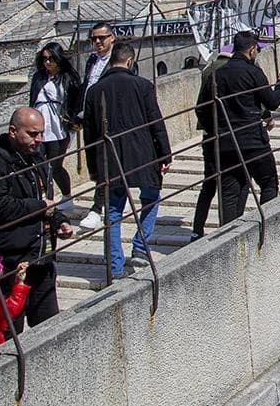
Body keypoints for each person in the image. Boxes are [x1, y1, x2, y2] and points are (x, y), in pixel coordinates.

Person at [0, 108, 72, 327]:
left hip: (40, 260)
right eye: (33, 134)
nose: (39, 140)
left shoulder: (36, 157)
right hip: (9, 264)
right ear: (13, 131)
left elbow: (46, 199)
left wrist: (59, 221)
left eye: (42, 133)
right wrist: (38, 206)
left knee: (48, 332)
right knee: (8, 333)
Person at [83, 42, 172, 278]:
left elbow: (89, 134)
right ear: (131, 62)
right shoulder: (142, 85)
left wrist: (93, 168)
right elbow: (156, 121)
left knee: (113, 211)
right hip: (143, 154)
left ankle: (115, 265)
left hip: (109, 158)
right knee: (151, 198)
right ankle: (141, 247)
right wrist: (165, 153)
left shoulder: (94, 91)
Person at [209, 31, 280, 225]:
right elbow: (272, 102)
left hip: (225, 141)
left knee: (229, 193)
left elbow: (203, 108)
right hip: (252, 139)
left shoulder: (217, 74)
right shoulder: (253, 72)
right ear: (252, 50)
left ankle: (225, 238)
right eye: (257, 51)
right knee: (269, 182)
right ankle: (266, 227)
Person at [79, 22, 134, 231]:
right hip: (92, 117)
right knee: (100, 163)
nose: (98, 42)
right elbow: (87, 87)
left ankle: (97, 208)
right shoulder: (92, 60)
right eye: (94, 38)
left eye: (102, 37)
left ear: (112, 38)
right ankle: (114, 199)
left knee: (106, 164)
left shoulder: (120, 61)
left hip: (112, 120)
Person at [29, 42, 83, 211]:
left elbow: (76, 102)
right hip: (39, 124)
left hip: (58, 127)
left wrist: (75, 120)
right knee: (39, 165)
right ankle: (46, 201)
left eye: (52, 58)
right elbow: (32, 99)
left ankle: (66, 196)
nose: (48, 62)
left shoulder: (69, 78)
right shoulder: (38, 77)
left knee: (55, 166)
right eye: (45, 59)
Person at [191, 52, 231, 241]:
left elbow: (200, 106)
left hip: (209, 134)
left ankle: (196, 230)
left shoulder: (209, 68)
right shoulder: (231, 69)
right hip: (228, 133)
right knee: (230, 184)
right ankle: (228, 226)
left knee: (209, 184)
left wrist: (208, 128)